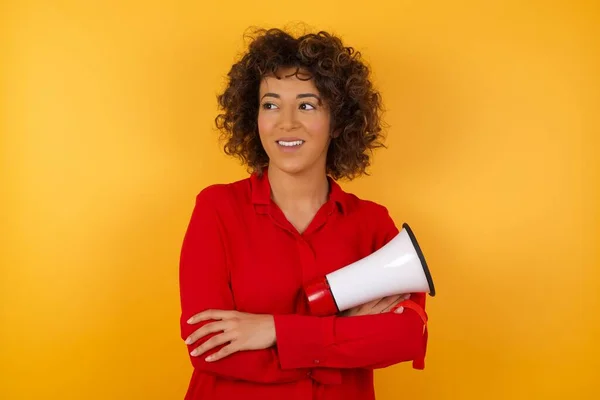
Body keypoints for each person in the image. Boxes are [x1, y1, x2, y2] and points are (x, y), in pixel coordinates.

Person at [178, 27, 429, 400]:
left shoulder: (373, 224)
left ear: (339, 121)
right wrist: (342, 334)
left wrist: (274, 330)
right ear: (254, 116)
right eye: (271, 104)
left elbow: (406, 337)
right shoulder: (216, 209)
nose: (286, 122)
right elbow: (209, 348)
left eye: (307, 105)